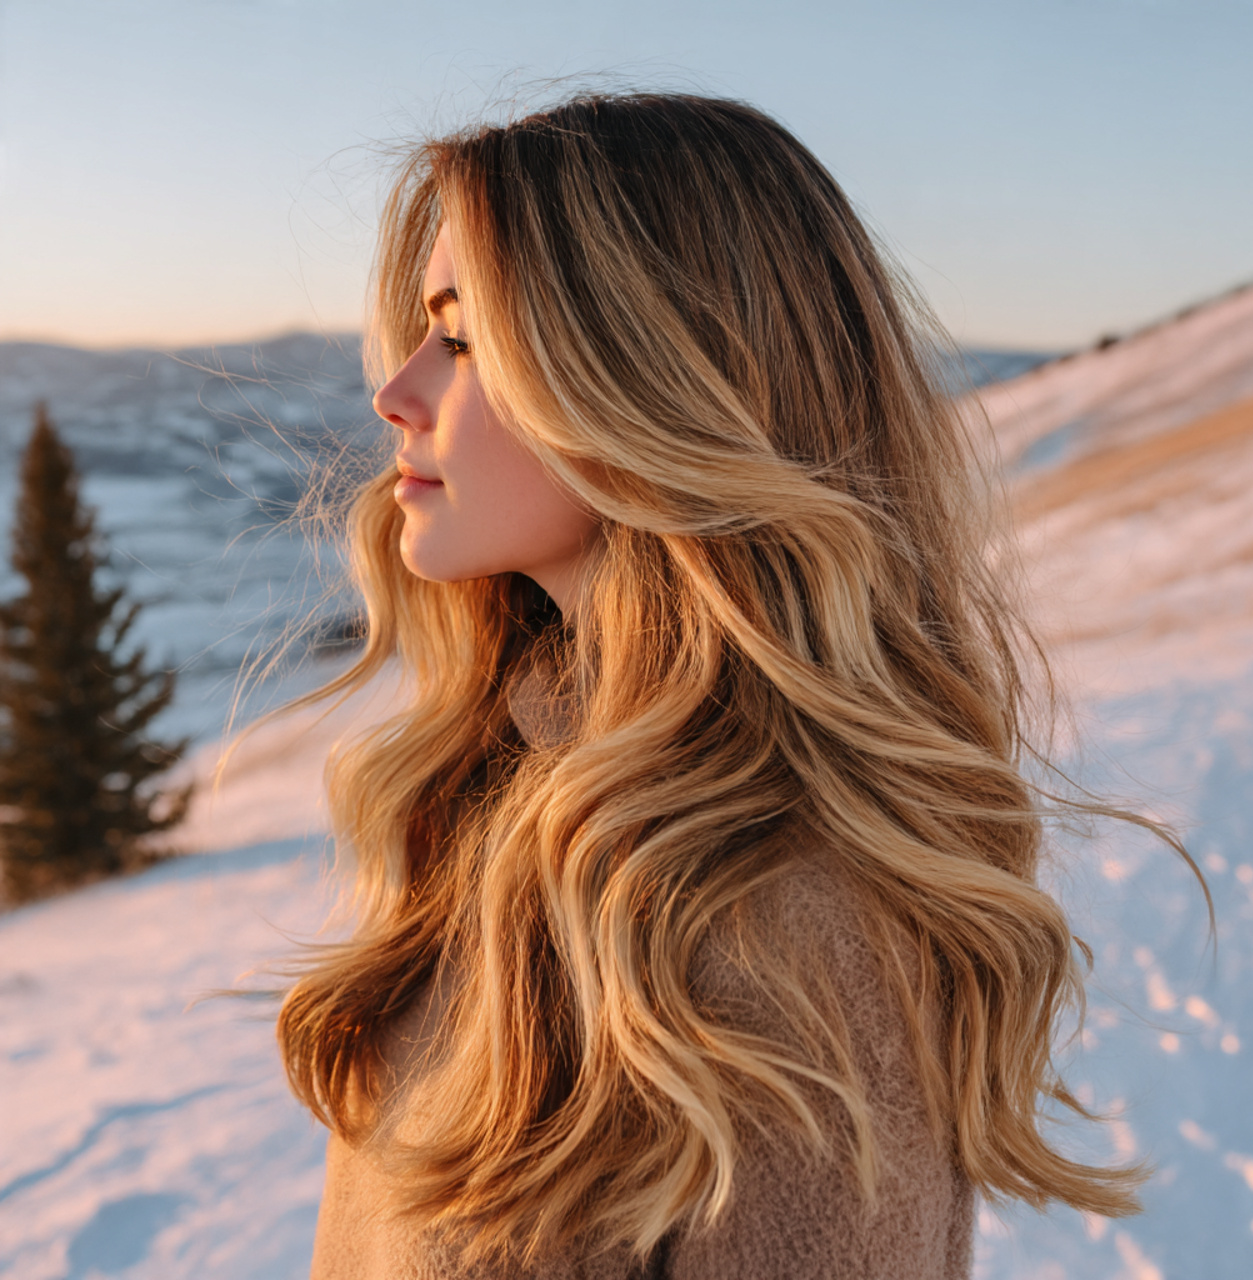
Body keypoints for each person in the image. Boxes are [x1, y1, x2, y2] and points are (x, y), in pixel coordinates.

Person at [276, 92, 1195, 1279]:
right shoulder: (515, 790)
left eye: (461, 336)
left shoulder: (777, 921)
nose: (395, 391)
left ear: (654, 370)